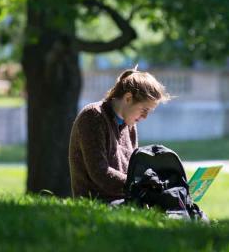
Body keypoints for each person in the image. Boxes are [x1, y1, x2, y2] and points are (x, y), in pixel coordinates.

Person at [68, 66, 170, 203]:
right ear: (128, 98)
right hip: (97, 203)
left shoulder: (130, 125)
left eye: (149, 111)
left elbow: (132, 169)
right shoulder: (93, 116)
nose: (145, 117)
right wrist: (139, 185)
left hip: (124, 200)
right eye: (144, 109)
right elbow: (100, 173)